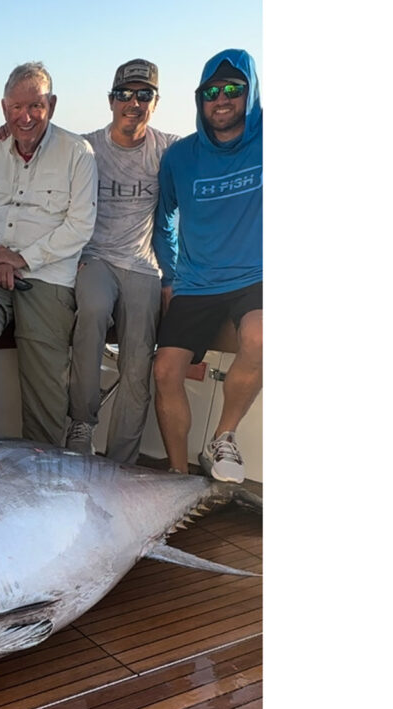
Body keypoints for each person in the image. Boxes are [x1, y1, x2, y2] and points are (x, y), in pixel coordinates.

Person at [0, 62, 98, 445]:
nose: (26, 116)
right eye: (16, 107)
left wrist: (24, 259)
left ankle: (43, 460)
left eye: (35, 106)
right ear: (4, 108)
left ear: (51, 104)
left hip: (48, 274)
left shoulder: (77, 153)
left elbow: (80, 227)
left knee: (46, 390)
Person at [153, 49, 262, 483]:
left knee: (260, 336)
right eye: (211, 92)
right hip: (196, 283)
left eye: (233, 89)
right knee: (164, 370)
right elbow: (163, 220)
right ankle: (179, 477)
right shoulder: (180, 157)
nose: (221, 99)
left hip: (257, 277)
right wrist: (170, 274)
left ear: (249, 92)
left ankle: (224, 436)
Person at [63, 59, 180, 464]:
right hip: (94, 259)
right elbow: (34, 146)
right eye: (125, 94)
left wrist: (176, 277)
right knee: (92, 310)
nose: (134, 102)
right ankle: (81, 424)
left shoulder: (169, 148)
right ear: (111, 100)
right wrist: (7, 131)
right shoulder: (85, 147)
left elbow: (219, 149)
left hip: (144, 267)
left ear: (156, 102)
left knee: (137, 362)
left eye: (144, 94)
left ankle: (121, 463)